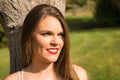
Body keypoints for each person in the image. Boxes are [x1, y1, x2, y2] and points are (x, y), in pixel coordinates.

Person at [4, 4, 88, 80]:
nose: (56, 42)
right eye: (47, 34)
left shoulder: (79, 75)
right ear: (30, 37)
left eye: (60, 35)